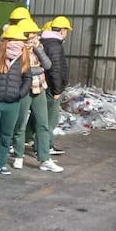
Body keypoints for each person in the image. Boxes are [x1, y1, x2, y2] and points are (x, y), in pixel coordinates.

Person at [10, 18, 63, 173]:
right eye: (31, 34)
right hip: (24, 89)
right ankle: (19, 155)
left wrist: (38, 50)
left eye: (35, 34)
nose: (34, 37)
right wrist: (37, 70)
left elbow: (47, 65)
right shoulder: (17, 49)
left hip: (39, 88)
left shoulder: (38, 48)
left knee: (42, 123)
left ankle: (45, 158)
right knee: (20, 123)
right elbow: (23, 70)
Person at [0, 25, 31, 177]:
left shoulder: (24, 57)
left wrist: (19, 94)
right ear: (6, 41)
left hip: (13, 103)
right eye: (14, 40)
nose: (18, 43)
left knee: (6, 134)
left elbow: (27, 78)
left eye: (20, 40)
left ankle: (1, 163)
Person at [41, 16, 72, 156]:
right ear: (63, 30)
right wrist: (57, 90)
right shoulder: (55, 46)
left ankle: (38, 143)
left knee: (42, 118)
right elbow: (56, 69)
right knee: (50, 119)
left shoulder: (45, 42)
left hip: (45, 85)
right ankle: (45, 146)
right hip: (51, 88)